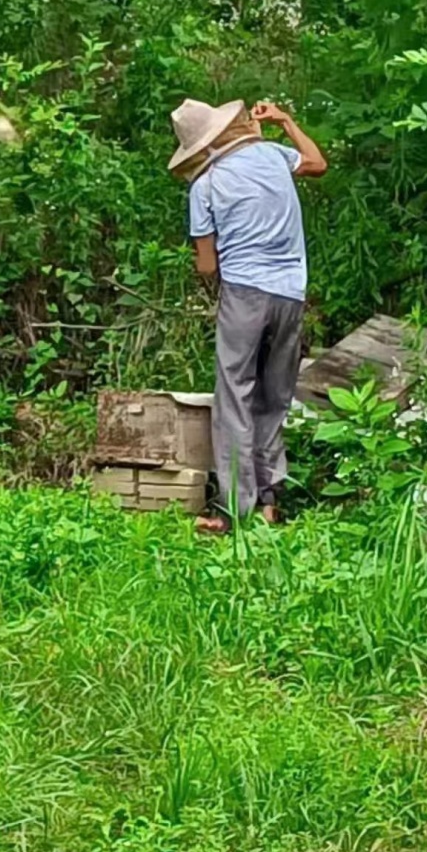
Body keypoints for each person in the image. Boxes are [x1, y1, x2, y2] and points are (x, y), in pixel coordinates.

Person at [168, 97, 328, 531]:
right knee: (274, 395)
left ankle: (234, 510)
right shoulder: (272, 155)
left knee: (235, 396)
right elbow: (316, 162)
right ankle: (270, 502)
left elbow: (206, 265)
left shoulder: (204, 185)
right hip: (291, 295)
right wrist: (284, 120)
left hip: (243, 293)